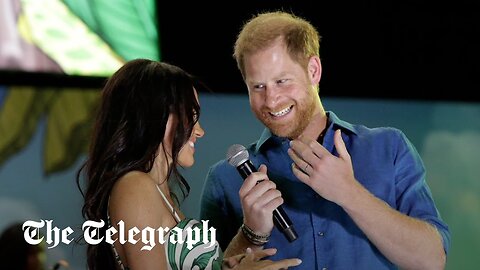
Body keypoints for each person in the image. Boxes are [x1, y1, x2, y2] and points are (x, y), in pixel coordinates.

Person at [200, 11, 450, 269]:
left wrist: (349, 193)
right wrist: (250, 233)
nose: (271, 100)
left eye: (282, 81)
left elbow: (431, 260)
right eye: (258, 87)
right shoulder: (224, 180)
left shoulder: (389, 148)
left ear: (313, 70)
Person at [76, 58, 302, 270]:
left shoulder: (157, 191)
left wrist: (252, 231)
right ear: (157, 115)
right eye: (191, 116)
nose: (200, 131)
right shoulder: (135, 186)